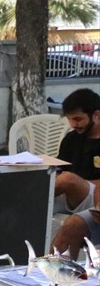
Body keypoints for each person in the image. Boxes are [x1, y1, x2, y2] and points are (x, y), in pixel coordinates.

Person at [52, 87, 100, 216]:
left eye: (78, 119)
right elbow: (59, 169)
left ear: (96, 115)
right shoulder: (71, 138)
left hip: (95, 196)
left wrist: (76, 183)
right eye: (70, 119)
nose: (73, 124)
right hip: (69, 195)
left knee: (68, 179)